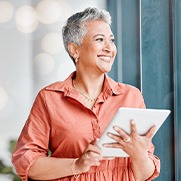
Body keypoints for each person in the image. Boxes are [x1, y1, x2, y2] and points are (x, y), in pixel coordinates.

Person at [12, 7, 160, 181]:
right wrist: (77, 164)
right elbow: (27, 164)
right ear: (75, 50)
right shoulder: (50, 98)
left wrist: (139, 154)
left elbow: (144, 175)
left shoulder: (131, 96)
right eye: (99, 39)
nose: (109, 48)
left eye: (111, 41)